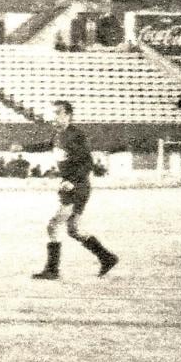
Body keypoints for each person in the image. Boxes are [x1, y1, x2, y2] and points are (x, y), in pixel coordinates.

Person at [28, 101, 119, 280]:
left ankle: (52, 270)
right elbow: (46, 145)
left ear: (68, 115)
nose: (54, 116)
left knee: (53, 225)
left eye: (57, 113)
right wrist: (23, 148)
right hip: (72, 186)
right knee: (73, 229)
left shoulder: (76, 135)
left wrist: (72, 181)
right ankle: (107, 257)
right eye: (52, 113)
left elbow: (88, 163)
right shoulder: (59, 134)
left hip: (77, 187)